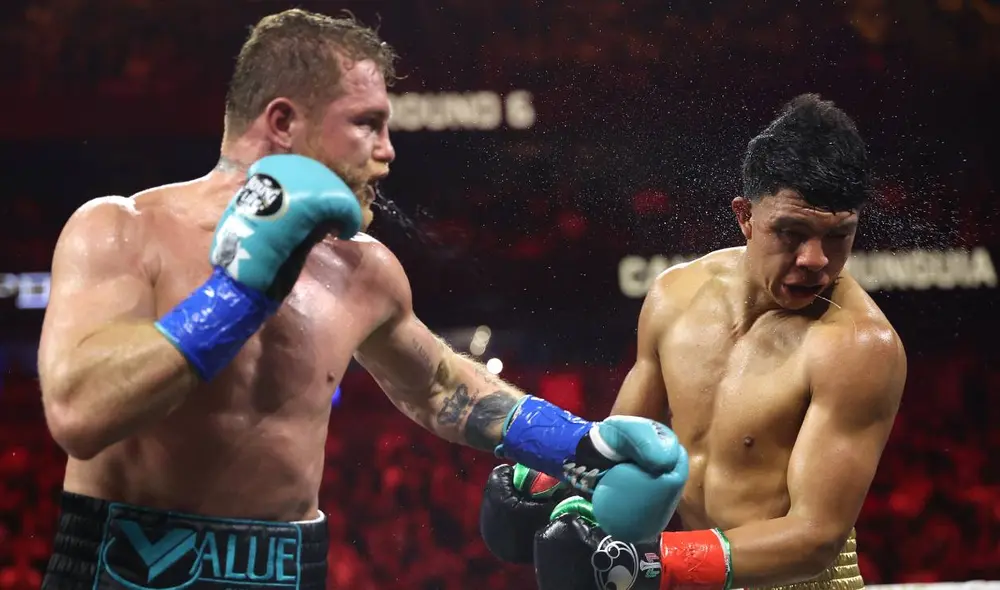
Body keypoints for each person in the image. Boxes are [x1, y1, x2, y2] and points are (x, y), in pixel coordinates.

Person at [36, 9, 685, 590]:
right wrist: (240, 294)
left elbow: (438, 387)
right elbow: (80, 412)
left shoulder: (362, 270)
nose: (387, 152)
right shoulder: (122, 230)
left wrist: (580, 447)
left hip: (290, 570)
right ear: (283, 122)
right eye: (367, 126)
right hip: (126, 569)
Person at [480, 94, 907, 590]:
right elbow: (622, 450)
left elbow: (815, 538)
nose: (815, 259)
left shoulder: (858, 346)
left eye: (839, 236)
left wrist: (655, 564)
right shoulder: (674, 297)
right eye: (792, 232)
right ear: (745, 216)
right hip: (694, 575)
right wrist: (552, 485)